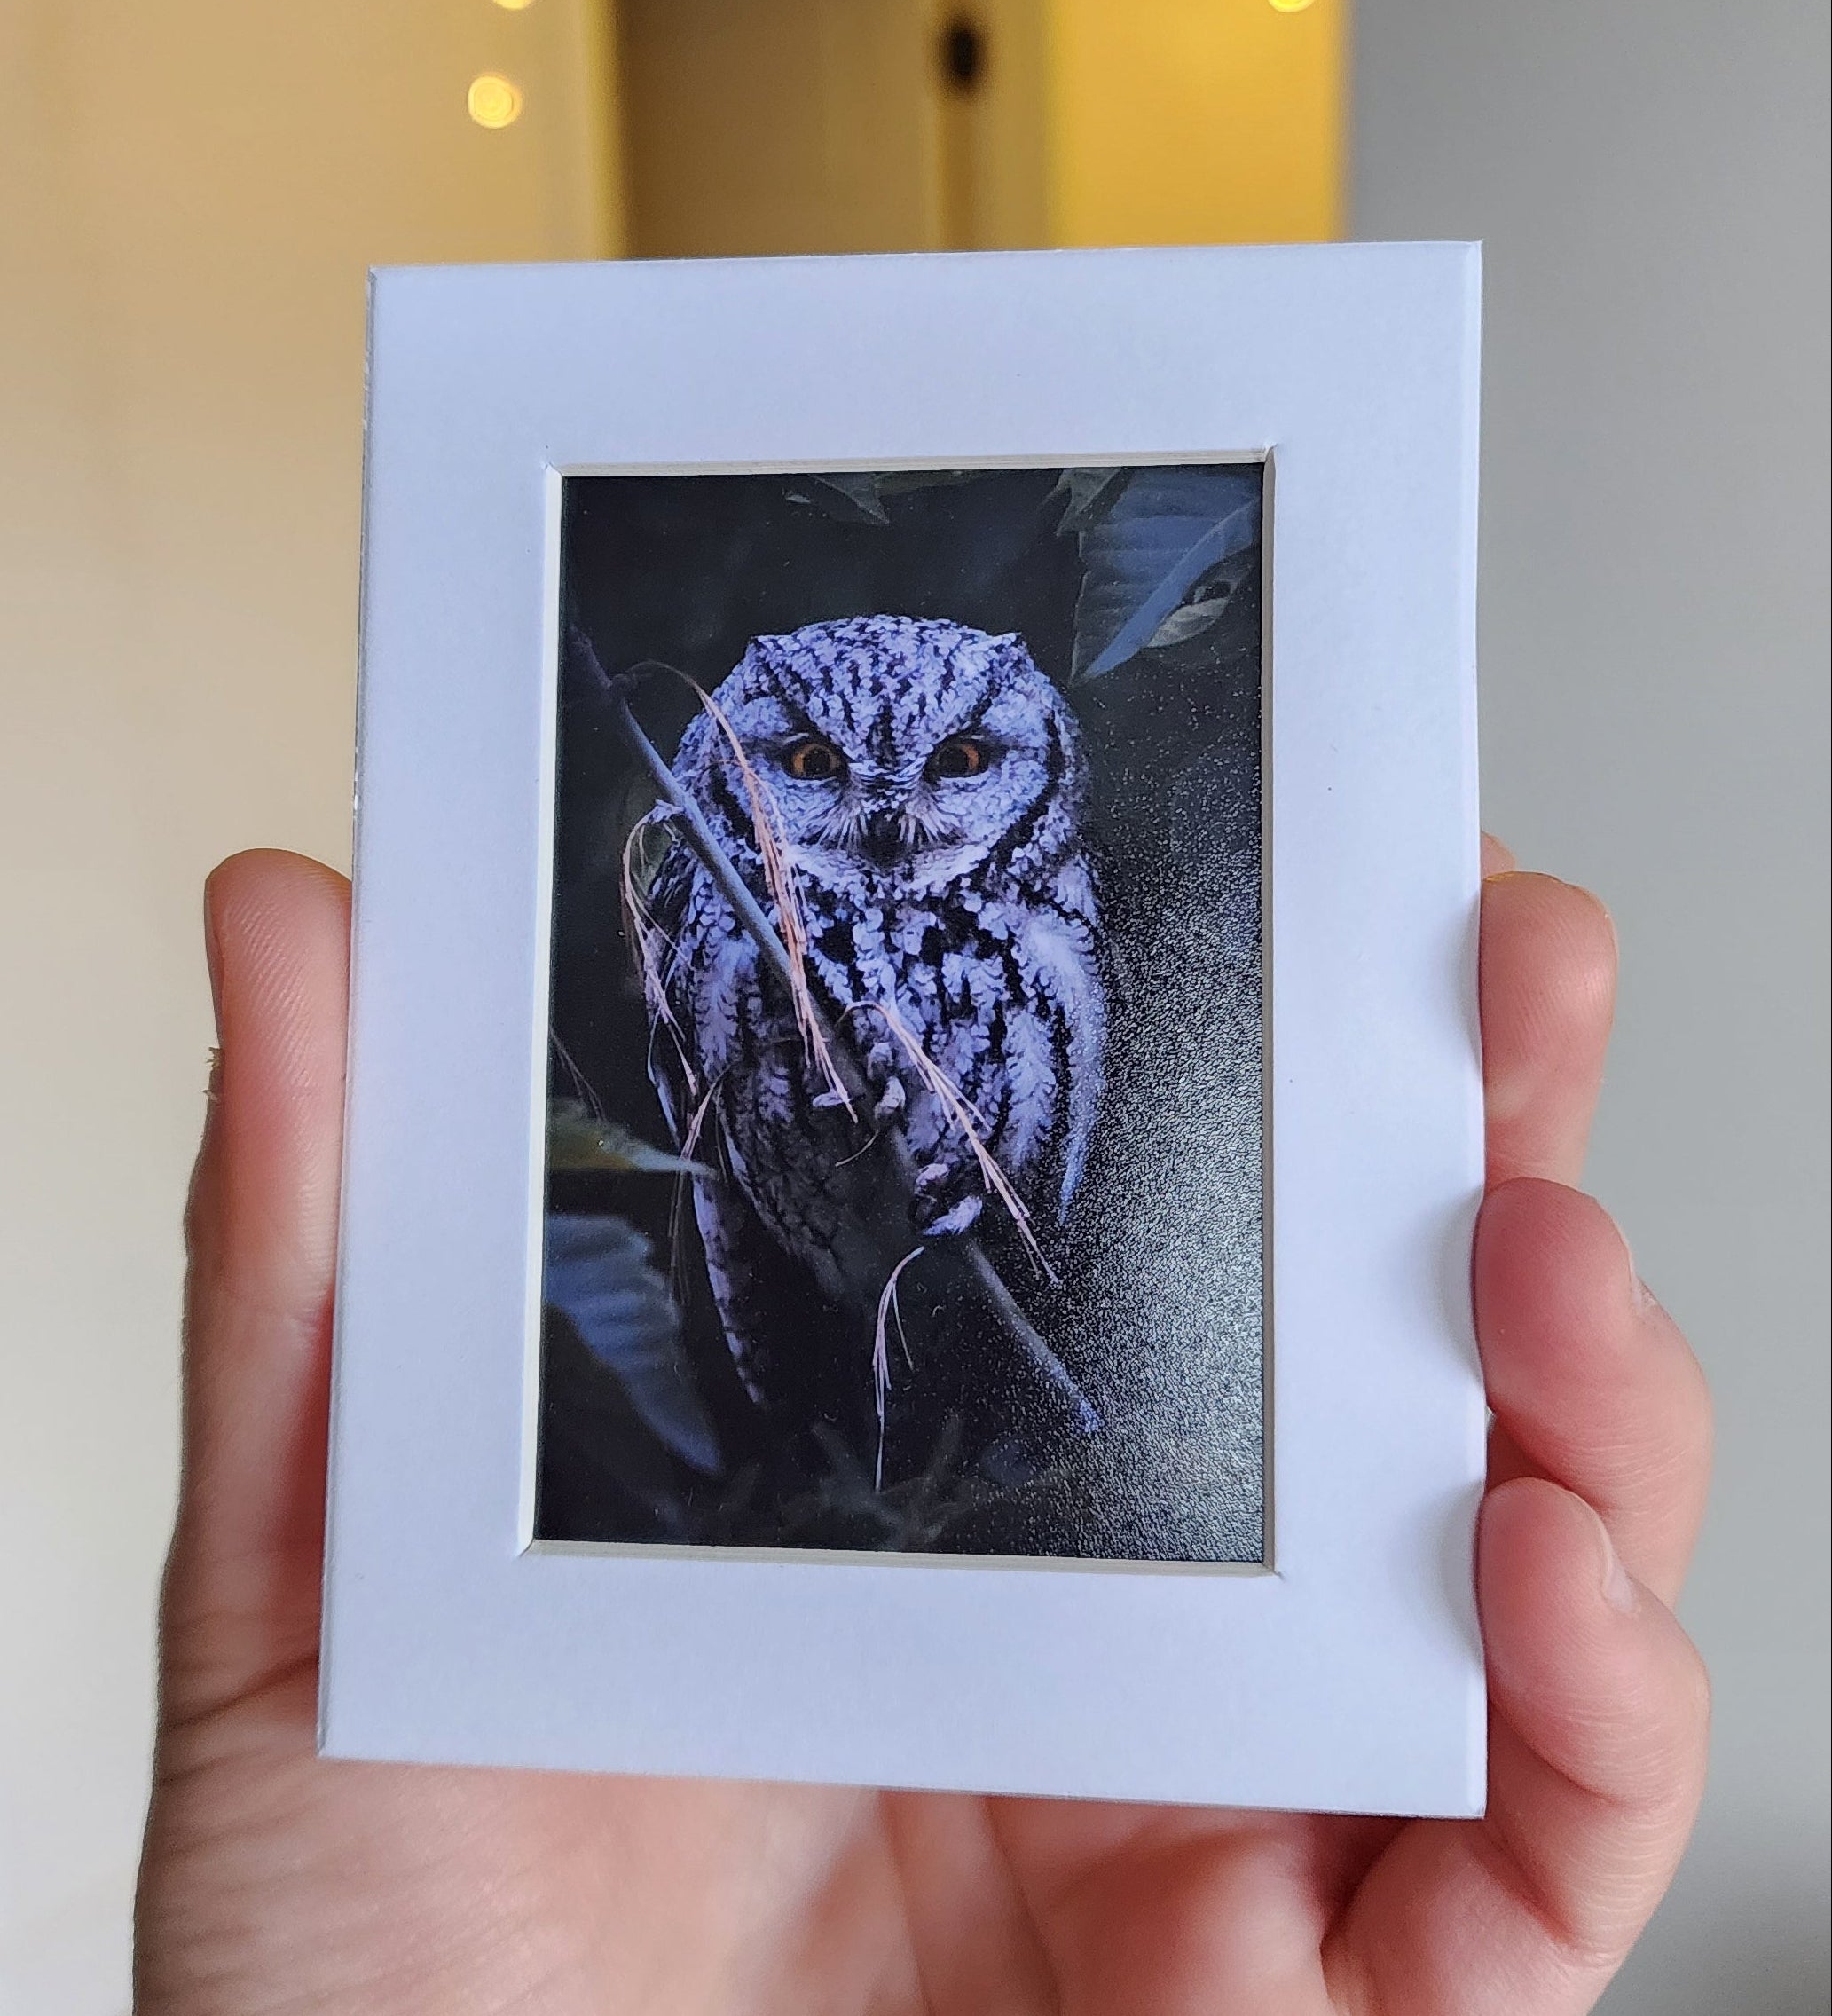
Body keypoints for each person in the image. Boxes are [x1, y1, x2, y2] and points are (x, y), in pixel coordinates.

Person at [134, 844, 1711, 2014]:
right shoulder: (734, 921)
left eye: (953, 769)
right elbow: (743, 1199)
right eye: (814, 776)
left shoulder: (1045, 915)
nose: (887, 827)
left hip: (981, 1312)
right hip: (829, 1309)